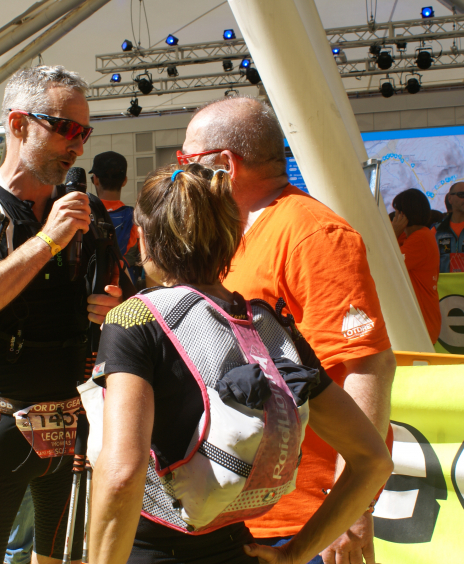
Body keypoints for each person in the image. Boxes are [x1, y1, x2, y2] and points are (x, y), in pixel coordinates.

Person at [88, 163, 392, 564]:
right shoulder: (268, 324)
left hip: (150, 548)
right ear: (232, 238)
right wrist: (297, 552)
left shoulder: (134, 319)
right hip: (241, 546)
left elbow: (122, 474)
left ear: (145, 240)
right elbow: (374, 461)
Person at [180, 96, 395, 564]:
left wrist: (349, 504)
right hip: (235, 503)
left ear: (225, 165)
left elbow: (367, 365)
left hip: (303, 518)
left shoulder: (313, 234)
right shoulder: (233, 231)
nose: (183, 178)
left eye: (186, 164)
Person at [0, 65, 121, 564]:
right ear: (19, 125)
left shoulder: (90, 213)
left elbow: (121, 305)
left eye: (85, 131)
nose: (78, 145)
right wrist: (46, 241)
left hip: (75, 424)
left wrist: (116, 308)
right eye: (66, 128)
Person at [391, 189, 441, 344]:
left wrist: (392, 232)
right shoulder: (414, 236)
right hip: (420, 321)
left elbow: (388, 265)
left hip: (421, 323)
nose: (393, 217)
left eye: (396, 212)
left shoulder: (420, 238)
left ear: (404, 215)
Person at [90, 151, 141, 284]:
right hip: (123, 287)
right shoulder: (136, 217)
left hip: (89, 286)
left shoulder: (83, 212)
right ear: (124, 181)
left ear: (95, 179)